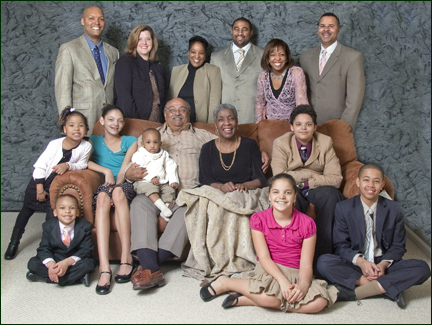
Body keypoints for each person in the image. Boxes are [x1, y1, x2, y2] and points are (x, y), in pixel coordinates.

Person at [124, 98, 269, 291]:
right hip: (155, 193)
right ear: (165, 114)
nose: (177, 113)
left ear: (189, 114)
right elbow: (133, 159)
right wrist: (128, 173)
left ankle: (150, 266)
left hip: (188, 195)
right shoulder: (151, 136)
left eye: (182, 110)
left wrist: (264, 152)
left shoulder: (203, 136)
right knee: (139, 204)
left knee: (191, 209)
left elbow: (229, 143)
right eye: (172, 110)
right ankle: (152, 268)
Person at [199, 173, 337, 312]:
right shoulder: (258, 219)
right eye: (276, 192)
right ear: (269, 196)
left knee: (319, 303)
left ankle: (249, 300)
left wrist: (303, 285)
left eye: (288, 192)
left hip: (297, 272)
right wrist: (282, 282)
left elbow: (306, 264)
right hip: (270, 269)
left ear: (295, 197)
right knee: (270, 297)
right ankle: (226, 283)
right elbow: (264, 257)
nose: (281, 197)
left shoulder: (307, 223)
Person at [316, 164, 431, 309]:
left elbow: (398, 246)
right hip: (357, 264)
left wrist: (382, 265)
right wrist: (362, 263)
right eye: (366, 180)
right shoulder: (343, 208)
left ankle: (357, 293)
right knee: (323, 262)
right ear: (358, 182)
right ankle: (386, 288)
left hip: (383, 264)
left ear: (382, 185)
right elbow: (340, 246)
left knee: (423, 268)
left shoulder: (393, 209)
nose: (371, 185)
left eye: (376, 181)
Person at [178, 103, 268, 280]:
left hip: (243, 192)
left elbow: (261, 179)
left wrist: (245, 186)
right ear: (215, 125)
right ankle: (217, 260)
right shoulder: (208, 149)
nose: (226, 123)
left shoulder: (250, 145)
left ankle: (236, 262)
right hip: (216, 192)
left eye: (231, 118)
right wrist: (221, 187)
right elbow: (205, 181)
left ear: (236, 121)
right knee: (210, 204)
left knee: (236, 201)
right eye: (221, 119)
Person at [4, 107, 92, 260]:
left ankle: (48, 249)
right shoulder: (55, 144)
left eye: (81, 125)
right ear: (64, 129)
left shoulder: (86, 146)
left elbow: (82, 165)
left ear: (86, 129)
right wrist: (39, 188)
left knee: (52, 217)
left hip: (55, 187)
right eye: (71, 125)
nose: (76, 129)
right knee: (26, 211)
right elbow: (40, 165)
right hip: (39, 181)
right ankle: (14, 242)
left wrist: (68, 165)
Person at [271, 104, 344, 262]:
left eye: (308, 124)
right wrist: (309, 174)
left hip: (316, 190)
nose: (303, 128)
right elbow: (279, 176)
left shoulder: (326, 142)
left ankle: (323, 257)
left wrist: (306, 183)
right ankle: (292, 257)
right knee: (286, 199)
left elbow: (336, 179)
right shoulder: (281, 143)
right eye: (298, 124)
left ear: (315, 127)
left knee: (332, 195)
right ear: (291, 127)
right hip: (292, 189)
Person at [87, 104, 138, 295]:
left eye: (119, 120)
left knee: (116, 193)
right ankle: (104, 268)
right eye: (110, 119)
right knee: (101, 196)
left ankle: (126, 258)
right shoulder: (93, 140)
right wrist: (105, 170)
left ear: (123, 123)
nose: (115, 123)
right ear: (102, 121)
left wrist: (116, 185)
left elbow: (124, 170)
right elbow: (83, 160)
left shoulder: (130, 141)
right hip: (104, 185)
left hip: (124, 184)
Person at [55, 5, 119, 134]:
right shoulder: (69, 49)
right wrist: (68, 123)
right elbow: (63, 89)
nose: (96, 22)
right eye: (91, 18)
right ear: (82, 21)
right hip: (82, 120)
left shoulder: (113, 52)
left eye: (101, 19)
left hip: (109, 121)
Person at [299, 13, 365, 131]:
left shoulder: (353, 57)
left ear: (338, 29)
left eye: (331, 26)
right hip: (307, 126)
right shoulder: (305, 57)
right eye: (322, 26)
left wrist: (343, 127)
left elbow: (354, 100)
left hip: (336, 126)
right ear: (318, 29)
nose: (326, 29)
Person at [26, 194, 96, 286]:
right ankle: (76, 278)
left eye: (72, 208)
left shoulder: (85, 226)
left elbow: (86, 250)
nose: (67, 211)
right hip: (55, 258)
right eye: (62, 208)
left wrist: (66, 263)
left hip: (73, 260)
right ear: (55, 212)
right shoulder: (48, 226)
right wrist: (51, 264)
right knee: (32, 263)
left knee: (88, 264)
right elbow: (44, 249)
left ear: (77, 212)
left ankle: (49, 279)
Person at [211, 17, 264, 123]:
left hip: (253, 118)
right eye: (236, 29)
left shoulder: (263, 55)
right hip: (224, 120)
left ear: (251, 32)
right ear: (231, 31)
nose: (240, 32)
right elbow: (212, 92)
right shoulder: (216, 57)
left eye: (244, 29)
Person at [114, 24, 167, 121]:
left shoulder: (158, 66)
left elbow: (163, 100)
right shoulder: (125, 62)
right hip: (135, 124)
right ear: (134, 42)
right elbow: (124, 99)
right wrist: (137, 124)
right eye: (139, 39)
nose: (144, 43)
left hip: (157, 125)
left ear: (152, 42)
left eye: (148, 39)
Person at [168, 35, 222, 123]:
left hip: (200, 125)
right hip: (177, 123)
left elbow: (214, 102)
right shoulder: (176, 71)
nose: (197, 56)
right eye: (193, 52)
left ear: (205, 55)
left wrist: (210, 127)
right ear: (188, 53)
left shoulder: (213, 71)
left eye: (201, 53)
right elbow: (170, 100)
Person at [255, 39, 309, 123]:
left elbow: (301, 103)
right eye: (273, 55)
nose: (277, 58)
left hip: (291, 125)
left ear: (286, 58)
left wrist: (301, 125)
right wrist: (258, 126)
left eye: (282, 54)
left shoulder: (296, 73)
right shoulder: (263, 76)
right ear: (268, 58)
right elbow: (260, 103)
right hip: (269, 126)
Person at [131, 128, 179, 220]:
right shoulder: (140, 154)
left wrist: (173, 180)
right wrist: (151, 177)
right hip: (145, 181)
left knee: (170, 190)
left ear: (160, 143)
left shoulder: (164, 154)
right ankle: (162, 207)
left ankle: (166, 207)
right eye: (148, 142)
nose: (152, 145)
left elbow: (171, 166)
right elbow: (139, 167)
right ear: (142, 144)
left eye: (155, 142)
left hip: (162, 181)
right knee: (149, 189)